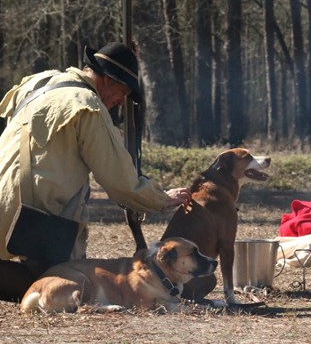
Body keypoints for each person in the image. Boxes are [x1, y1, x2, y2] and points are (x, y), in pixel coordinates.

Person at [0, 42, 192, 302]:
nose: (121, 101)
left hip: (7, 201)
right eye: (123, 90)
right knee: (60, 277)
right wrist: (161, 198)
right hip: (31, 216)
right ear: (106, 79)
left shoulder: (40, 83)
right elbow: (120, 180)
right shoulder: (88, 105)